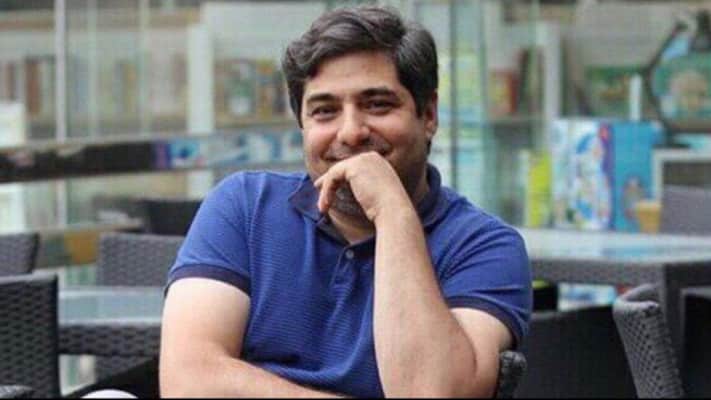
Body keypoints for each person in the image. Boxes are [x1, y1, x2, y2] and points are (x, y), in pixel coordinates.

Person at [160, 5, 532, 398]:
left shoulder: (484, 246)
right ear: (303, 125)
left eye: (377, 105)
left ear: (428, 115)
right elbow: (189, 383)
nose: (351, 132)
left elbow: (430, 392)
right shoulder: (244, 207)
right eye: (325, 111)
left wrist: (392, 212)